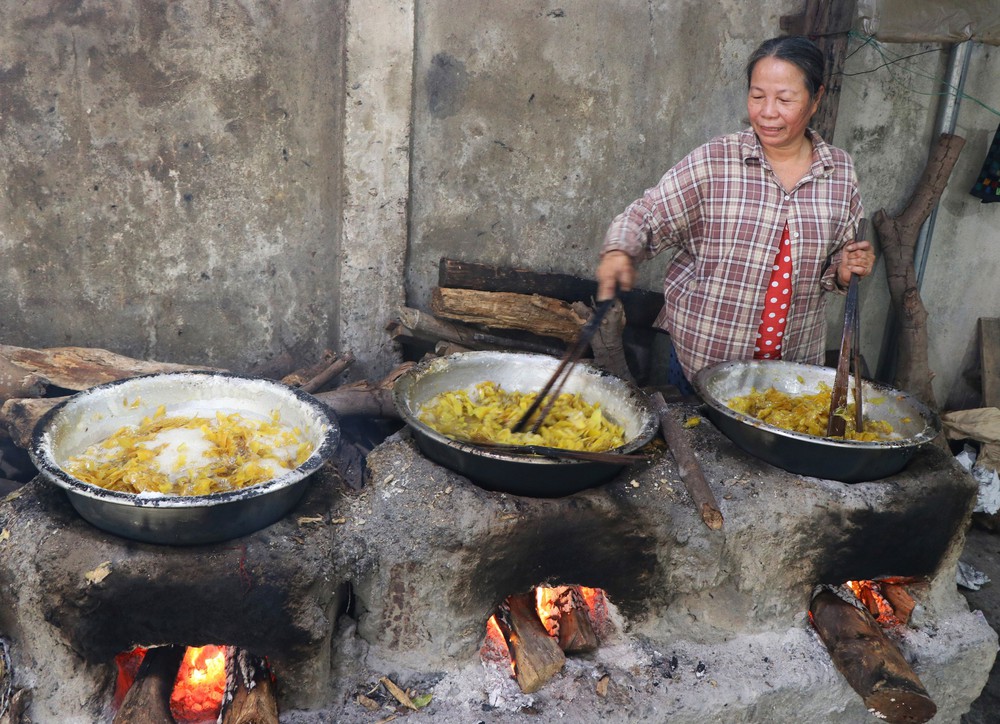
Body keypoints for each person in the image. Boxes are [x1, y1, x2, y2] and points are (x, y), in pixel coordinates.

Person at [595, 35, 876, 393]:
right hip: (700, 358)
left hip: (791, 368)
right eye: (757, 96)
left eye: (785, 99)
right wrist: (621, 249)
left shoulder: (839, 171)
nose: (767, 111)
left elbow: (837, 260)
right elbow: (647, 215)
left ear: (816, 98)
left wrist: (847, 269)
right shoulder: (716, 160)